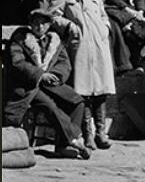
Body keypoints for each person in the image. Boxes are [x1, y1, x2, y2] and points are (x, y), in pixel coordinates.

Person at [3, 9, 91, 159]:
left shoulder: (55, 41)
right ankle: (74, 139)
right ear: (30, 24)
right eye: (36, 23)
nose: (40, 27)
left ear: (49, 25)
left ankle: (63, 145)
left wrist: (55, 76)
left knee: (77, 102)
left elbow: (65, 64)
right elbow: (17, 63)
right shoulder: (20, 39)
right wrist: (40, 75)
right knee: (49, 105)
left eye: (43, 23)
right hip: (27, 85)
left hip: (49, 84)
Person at [50, 0, 116, 150]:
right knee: (84, 89)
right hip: (81, 46)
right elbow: (53, 17)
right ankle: (87, 134)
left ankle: (101, 133)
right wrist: (69, 25)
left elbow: (103, 15)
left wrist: (105, 28)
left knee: (101, 89)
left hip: (99, 45)